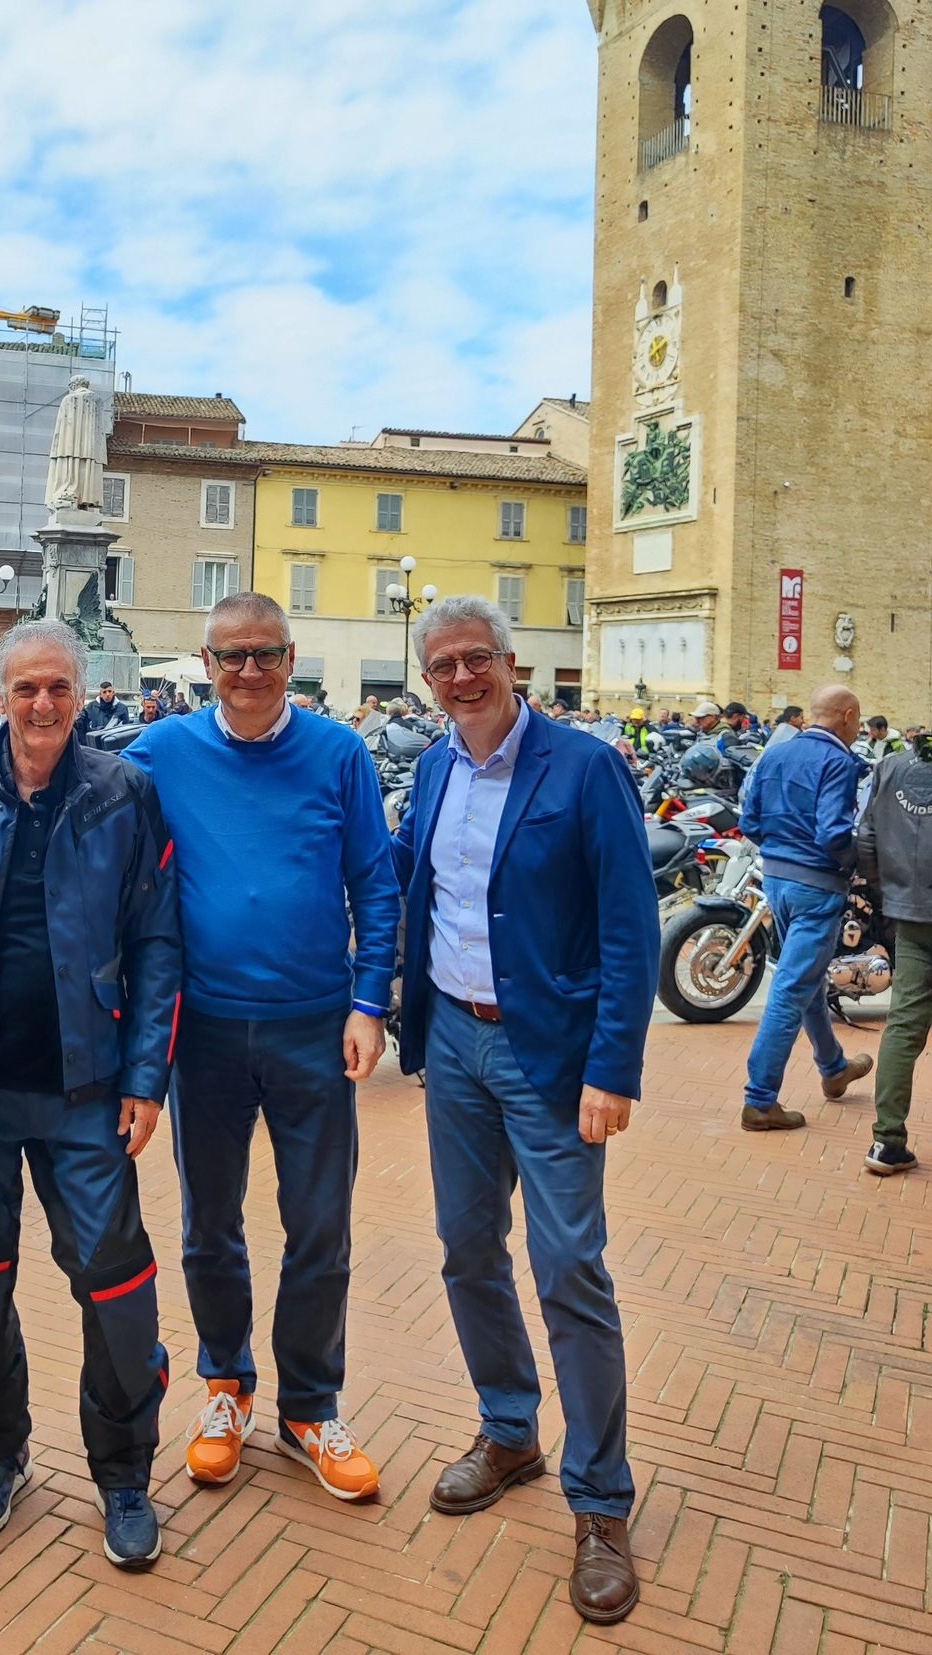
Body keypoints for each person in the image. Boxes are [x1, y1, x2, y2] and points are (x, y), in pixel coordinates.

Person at [0, 620, 180, 1569]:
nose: (43, 703)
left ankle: (123, 1472)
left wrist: (145, 1077)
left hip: (85, 1089)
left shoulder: (124, 793)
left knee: (117, 1283)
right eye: (26, 688)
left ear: (80, 694)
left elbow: (157, 941)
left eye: (58, 687)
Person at [392, 593, 658, 1627]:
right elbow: (414, 889)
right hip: (454, 1042)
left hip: (552, 1057)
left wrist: (613, 1067)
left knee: (570, 1268)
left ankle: (600, 1500)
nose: (462, 678)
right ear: (428, 680)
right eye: (443, 665)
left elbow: (630, 927)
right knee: (467, 1250)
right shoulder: (435, 768)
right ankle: (510, 1429)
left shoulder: (585, 768)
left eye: (477, 659)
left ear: (512, 663)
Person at [125, 594, 399, 1504]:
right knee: (210, 1221)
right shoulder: (160, 751)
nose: (250, 670)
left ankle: (311, 1405)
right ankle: (226, 1385)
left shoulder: (339, 752)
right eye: (233, 655)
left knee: (320, 1223)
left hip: (314, 1024)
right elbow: (79, 798)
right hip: (203, 1028)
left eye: (267, 654)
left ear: (291, 658)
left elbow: (375, 883)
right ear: (206, 663)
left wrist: (370, 1002)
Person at [737, 684, 873, 1131]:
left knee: (806, 979)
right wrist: (854, 862)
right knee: (792, 988)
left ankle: (834, 1068)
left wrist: (782, 852)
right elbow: (834, 832)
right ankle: (760, 1100)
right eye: (857, 719)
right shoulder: (839, 761)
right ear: (848, 717)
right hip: (816, 886)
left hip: (776, 880)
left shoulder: (775, 753)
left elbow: (749, 820)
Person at [857, 732, 932, 1175]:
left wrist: (891, 897)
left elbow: (866, 838)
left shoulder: (890, 767)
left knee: (903, 1026)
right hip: (909, 909)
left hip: (912, 915)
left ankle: (887, 1141)